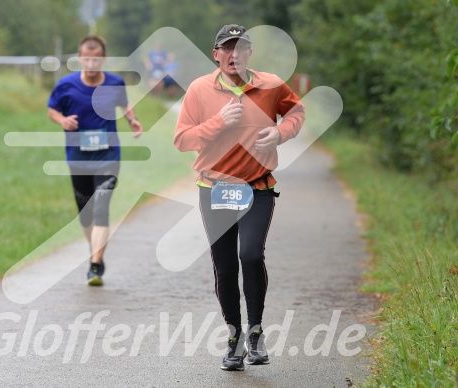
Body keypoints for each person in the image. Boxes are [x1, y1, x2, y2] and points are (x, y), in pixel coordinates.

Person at [174, 24, 305, 371]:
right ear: (216, 54)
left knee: (249, 254)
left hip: (257, 186)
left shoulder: (271, 84)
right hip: (215, 187)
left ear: (250, 53)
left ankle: (256, 331)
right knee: (225, 265)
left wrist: (280, 132)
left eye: (240, 48)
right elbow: (183, 140)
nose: (234, 54)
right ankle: (234, 337)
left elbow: (296, 113)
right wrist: (217, 122)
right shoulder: (199, 90)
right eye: (226, 48)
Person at [48, 35, 143, 286]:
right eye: (86, 58)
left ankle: (94, 265)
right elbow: (52, 110)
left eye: (96, 59)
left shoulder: (114, 83)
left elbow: (125, 104)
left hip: (108, 156)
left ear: (103, 59)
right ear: (80, 58)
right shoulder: (65, 85)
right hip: (77, 157)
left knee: (100, 209)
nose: (91, 63)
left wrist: (132, 120)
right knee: (85, 215)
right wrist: (63, 121)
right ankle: (96, 251)